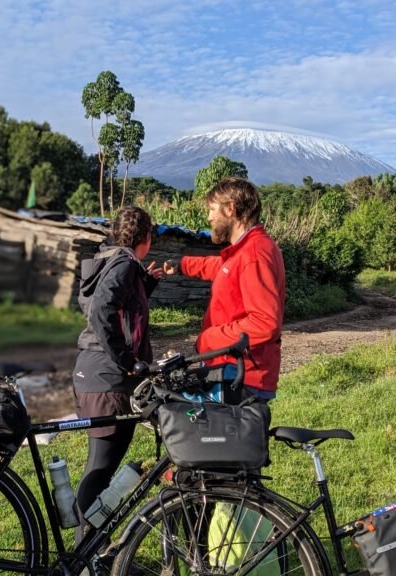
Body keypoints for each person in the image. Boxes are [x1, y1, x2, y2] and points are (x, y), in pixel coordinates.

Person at [73, 205, 163, 541]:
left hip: (99, 375)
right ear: (147, 238)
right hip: (106, 378)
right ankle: (85, 555)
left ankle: (95, 549)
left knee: (104, 469)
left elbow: (119, 309)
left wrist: (146, 287)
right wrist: (125, 359)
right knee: (99, 470)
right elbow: (102, 310)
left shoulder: (113, 260)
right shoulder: (124, 263)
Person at [164, 176, 285, 400]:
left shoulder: (254, 254)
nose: (209, 217)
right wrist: (182, 265)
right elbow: (223, 267)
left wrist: (209, 339)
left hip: (241, 377)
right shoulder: (246, 250)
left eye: (212, 209)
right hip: (234, 371)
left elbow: (265, 323)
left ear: (230, 209)